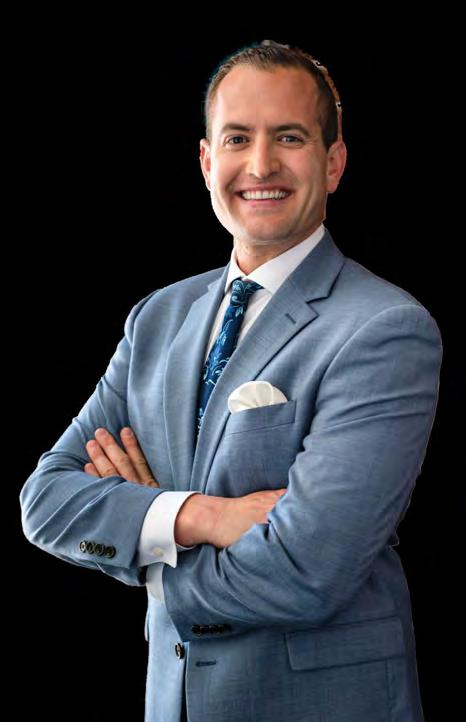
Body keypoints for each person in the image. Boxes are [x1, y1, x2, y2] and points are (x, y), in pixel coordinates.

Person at [20, 40, 442, 722]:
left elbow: (307, 572)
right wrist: (202, 517)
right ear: (206, 161)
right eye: (237, 138)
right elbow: (46, 502)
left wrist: (145, 540)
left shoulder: (383, 328)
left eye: (290, 137)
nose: (261, 164)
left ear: (333, 162)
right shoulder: (157, 318)